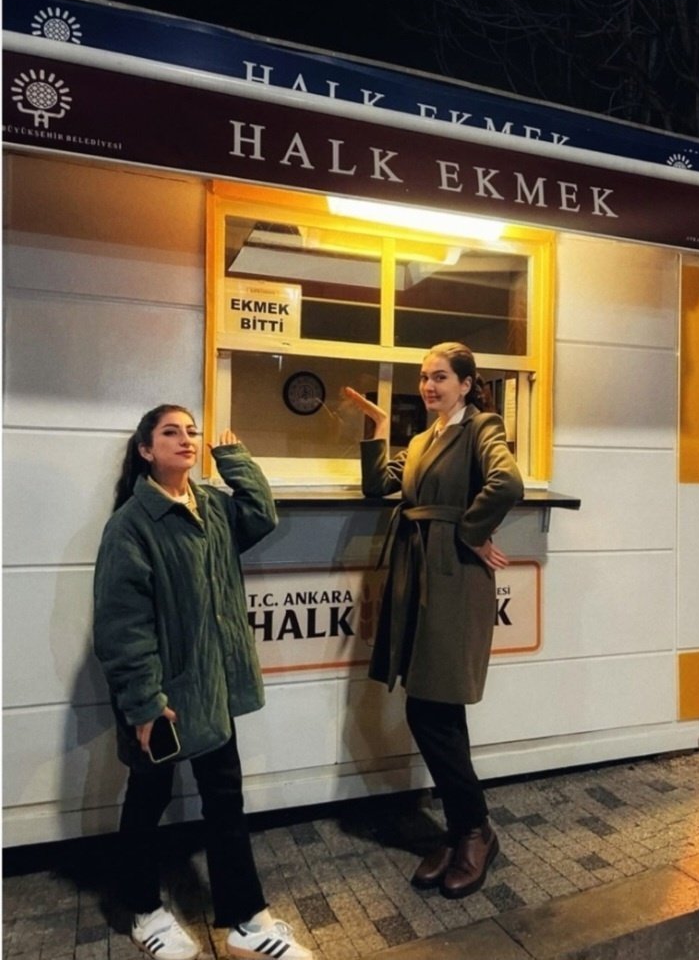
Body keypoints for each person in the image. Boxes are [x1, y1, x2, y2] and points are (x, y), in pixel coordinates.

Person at [93, 405, 312, 960]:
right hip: (161, 697)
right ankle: (142, 909)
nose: (187, 439)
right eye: (171, 432)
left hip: (210, 687)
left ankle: (245, 918)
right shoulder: (131, 525)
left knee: (225, 799)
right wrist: (144, 703)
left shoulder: (212, 505)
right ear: (146, 450)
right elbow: (122, 625)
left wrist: (234, 459)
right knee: (148, 799)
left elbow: (261, 515)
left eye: (192, 431)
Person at [344, 342, 523, 900]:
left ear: (467, 384)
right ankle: (463, 828)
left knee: (430, 709)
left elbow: (507, 483)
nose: (429, 386)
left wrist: (469, 532)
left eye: (441, 377)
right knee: (437, 707)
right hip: (417, 576)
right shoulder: (423, 439)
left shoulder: (481, 427)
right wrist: (378, 427)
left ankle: (474, 830)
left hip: (452, 578)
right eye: (424, 377)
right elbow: (379, 485)